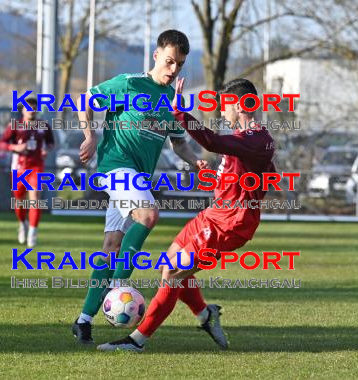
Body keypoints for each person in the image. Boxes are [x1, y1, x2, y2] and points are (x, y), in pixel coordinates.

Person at [97, 78, 276, 352]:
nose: (221, 111)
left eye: (225, 105)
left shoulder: (257, 138)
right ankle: (205, 314)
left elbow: (212, 141)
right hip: (214, 215)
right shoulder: (246, 139)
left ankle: (137, 341)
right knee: (169, 264)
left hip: (230, 224)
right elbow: (262, 172)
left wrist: (179, 111)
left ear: (241, 106)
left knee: (172, 273)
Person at [72, 30, 208, 344]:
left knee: (110, 247)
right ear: (156, 55)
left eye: (180, 65)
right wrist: (90, 135)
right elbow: (86, 100)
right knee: (147, 216)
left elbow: (178, 144)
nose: (174, 70)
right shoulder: (130, 83)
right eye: (170, 61)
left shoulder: (171, 100)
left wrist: (195, 161)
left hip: (137, 179)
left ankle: (83, 320)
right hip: (116, 166)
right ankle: (121, 284)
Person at [0, 97, 55, 247]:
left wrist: (45, 150)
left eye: (34, 107)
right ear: (23, 110)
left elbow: (50, 143)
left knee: (35, 198)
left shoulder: (44, 125)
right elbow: (2, 143)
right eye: (28, 107)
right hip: (19, 167)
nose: (32, 110)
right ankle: (22, 224)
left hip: (37, 166)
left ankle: (33, 232)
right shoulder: (15, 125)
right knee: (19, 200)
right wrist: (15, 148)